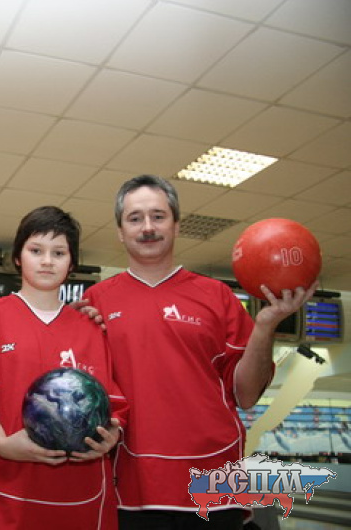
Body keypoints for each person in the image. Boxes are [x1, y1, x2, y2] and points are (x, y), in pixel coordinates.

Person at [84, 175, 316, 530]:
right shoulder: (96, 302)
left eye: (158, 216)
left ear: (176, 225)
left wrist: (266, 325)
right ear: (120, 231)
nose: (148, 227)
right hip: (130, 486)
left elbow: (246, 394)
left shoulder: (217, 296)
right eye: (135, 218)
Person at [0, 206, 127, 529]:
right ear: (17, 257)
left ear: (72, 263)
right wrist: (2, 445)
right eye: (36, 250)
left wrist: (110, 436)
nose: (47, 261)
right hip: (11, 486)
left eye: (59, 253)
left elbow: (114, 405)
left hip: (82, 492)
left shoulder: (92, 327)